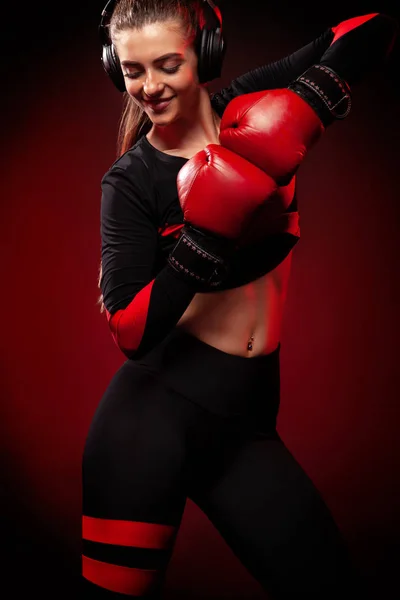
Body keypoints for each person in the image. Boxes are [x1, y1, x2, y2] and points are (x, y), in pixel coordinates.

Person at [82, 0, 398, 597]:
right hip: (148, 426)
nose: (149, 87)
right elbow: (128, 329)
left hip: (246, 427)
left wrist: (310, 100)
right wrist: (204, 237)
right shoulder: (131, 181)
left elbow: (370, 30)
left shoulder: (249, 105)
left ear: (204, 52)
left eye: (167, 64)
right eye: (132, 71)